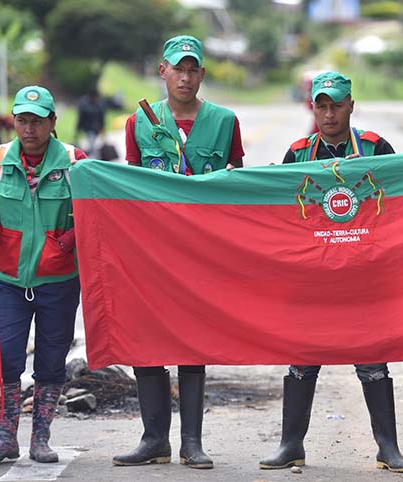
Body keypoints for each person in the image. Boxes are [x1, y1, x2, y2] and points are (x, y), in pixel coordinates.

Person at [259, 71, 403, 473]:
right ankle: (290, 444)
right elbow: (281, 214)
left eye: (337, 104)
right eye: (322, 105)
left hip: (365, 275)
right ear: (313, 107)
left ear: (351, 105)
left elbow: (402, 202)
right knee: (302, 358)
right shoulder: (297, 152)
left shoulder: (377, 147)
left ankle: (387, 447)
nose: (329, 113)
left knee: (373, 359)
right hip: (313, 276)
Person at [113, 34, 244, 469]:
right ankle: (154, 439)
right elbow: (130, 186)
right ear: (162, 71)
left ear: (203, 74)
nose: (185, 77)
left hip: (201, 254)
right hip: (151, 252)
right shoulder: (140, 123)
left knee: (193, 342)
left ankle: (192, 442)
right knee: (146, 340)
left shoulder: (225, 122)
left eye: (193, 70)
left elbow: (240, 187)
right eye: (178, 69)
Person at [0, 85, 87, 465]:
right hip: (7, 278)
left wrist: (63, 242)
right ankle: (5, 438)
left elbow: (92, 213)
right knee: (5, 356)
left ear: (53, 122)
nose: (29, 129)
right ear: (14, 122)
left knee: (52, 361)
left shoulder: (75, 161)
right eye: (22, 120)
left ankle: (41, 438)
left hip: (59, 281)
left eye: (37, 121)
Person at [75, 88, 106, 158]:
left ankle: (92, 157)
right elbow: (81, 117)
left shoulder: (98, 104)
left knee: (92, 144)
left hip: (94, 128)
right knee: (91, 144)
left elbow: (102, 117)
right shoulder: (86, 104)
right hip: (88, 127)